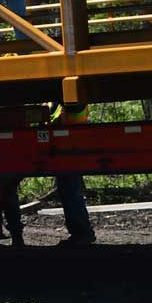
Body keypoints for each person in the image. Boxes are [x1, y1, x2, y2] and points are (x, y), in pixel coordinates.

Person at [53, 101, 98, 247]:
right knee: (69, 189)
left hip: (71, 147)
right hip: (66, 147)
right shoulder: (61, 105)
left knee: (71, 190)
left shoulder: (73, 103)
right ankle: (81, 232)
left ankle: (82, 233)